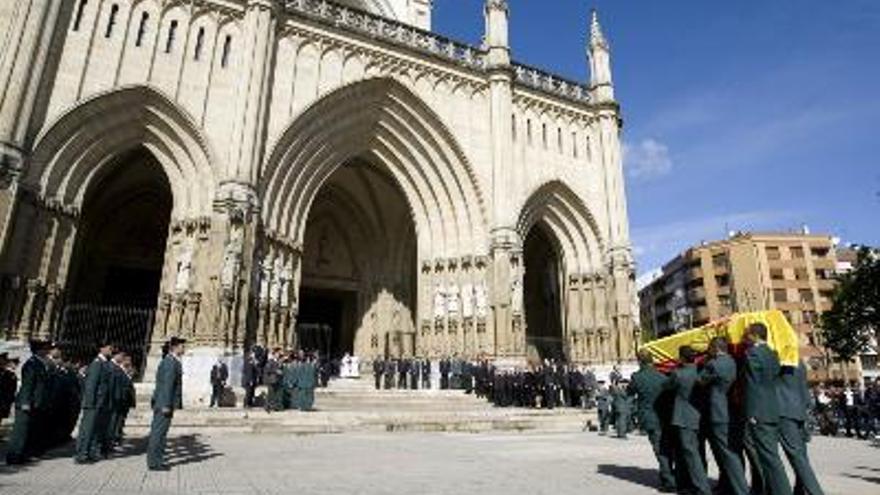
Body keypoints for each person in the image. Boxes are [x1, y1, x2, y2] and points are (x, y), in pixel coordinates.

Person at [743, 322, 793, 495]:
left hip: (760, 412)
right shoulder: (773, 354)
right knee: (771, 455)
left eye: (747, 334)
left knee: (769, 458)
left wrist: (751, 413)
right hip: (772, 409)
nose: (745, 337)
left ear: (755, 335)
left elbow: (752, 386)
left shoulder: (752, 354)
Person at [699, 337, 749, 495]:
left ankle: (739, 489)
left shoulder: (713, 364)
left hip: (719, 413)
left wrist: (704, 362)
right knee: (734, 450)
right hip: (732, 411)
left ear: (715, 348)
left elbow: (699, 381)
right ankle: (729, 485)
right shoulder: (733, 362)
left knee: (726, 454)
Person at [628, 350, 676, 492]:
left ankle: (669, 481)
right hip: (665, 416)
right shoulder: (662, 376)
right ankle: (668, 475)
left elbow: (630, 392)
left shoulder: (637, 377)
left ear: (639, 361)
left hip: (650, 417)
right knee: (668, 447)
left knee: (660, 449)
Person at [777, 361, 825, 495]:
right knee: (801, 454)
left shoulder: (779, 361)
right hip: (800, 408)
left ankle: (816, 492)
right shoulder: (799, 361)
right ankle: (800, 490)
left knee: (797, 455)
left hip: (784, 409)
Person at [668, 345, 711, 495]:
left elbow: (667, 386)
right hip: (701, 415)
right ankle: (699, 481)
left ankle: (702, 487)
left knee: (690, 454)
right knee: (699, 451)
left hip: (684, 417)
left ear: (681, 358)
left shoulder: (678, 374)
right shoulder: (701, 370)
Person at [6, 340, 51, 465]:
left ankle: (22, 454)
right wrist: (26, 402)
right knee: (20, 431)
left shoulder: (39, 363)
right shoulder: (32, 364)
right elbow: (28, 385)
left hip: (34, 403)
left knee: (28, 431)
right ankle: (13, 456)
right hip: (26, 403)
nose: (47, 351)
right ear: (39, 350)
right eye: (45, 348)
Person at [147, 336, 185, 471]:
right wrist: (166, 404)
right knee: (158, 433)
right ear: (174, 347)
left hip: (164, 402)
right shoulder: (170, 362)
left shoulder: (172, 361)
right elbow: (167, 386)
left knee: (160, 433)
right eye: (181, 346)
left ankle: (157, 460)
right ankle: (154, 462)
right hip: (164, 403)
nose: (183, 349)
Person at [75, 341, 114, 464]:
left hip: (100, 402)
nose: (111, 350)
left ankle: (90, 452)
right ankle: (81, 454)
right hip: (94, 403)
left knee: (95, 429)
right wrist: (91, 403)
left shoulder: (104, 363)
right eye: (109, 347)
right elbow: (91, 385)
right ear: (102, 348)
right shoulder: (97, 364)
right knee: (87, 429)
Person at [0, 352, 17, 423]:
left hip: (4, 402)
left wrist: (9, 400)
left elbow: (12, 389)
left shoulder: (10, 375)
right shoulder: (10, 375)